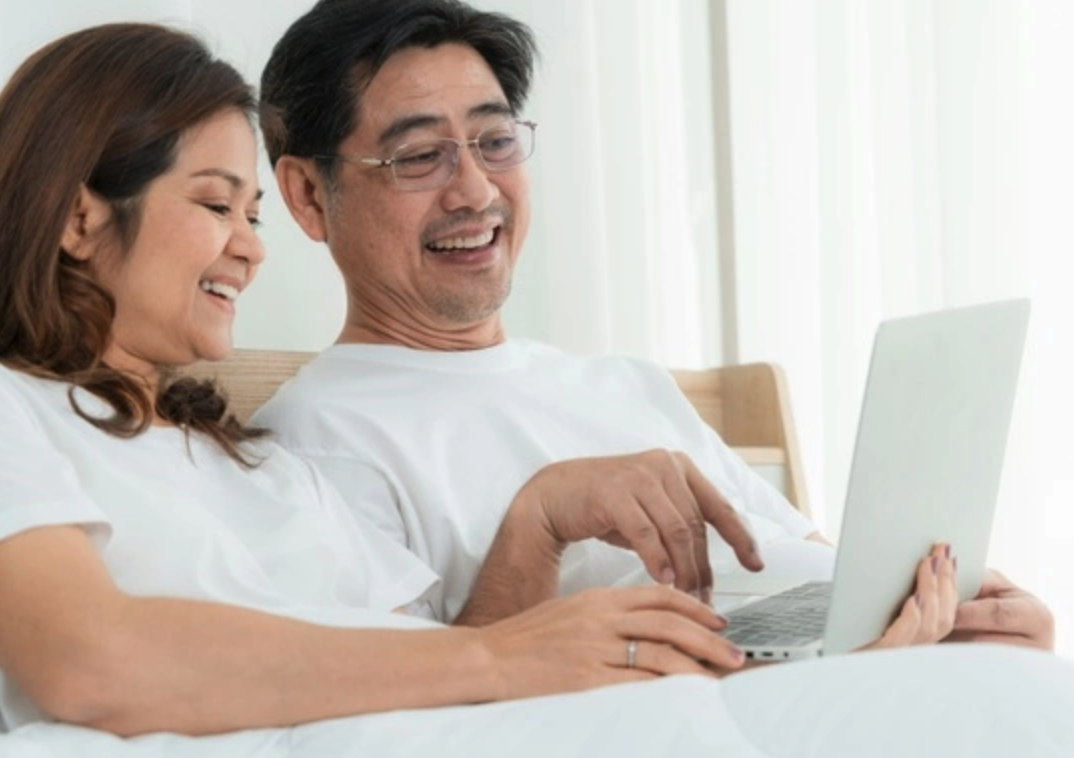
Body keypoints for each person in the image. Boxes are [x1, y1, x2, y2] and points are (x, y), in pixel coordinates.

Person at [4, 19, 1074, 758]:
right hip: (546, 716)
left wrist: (913, 615)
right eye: (216, 205)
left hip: (611, 701)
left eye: (493, 141)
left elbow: (430, 653)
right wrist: (514, 630)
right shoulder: (47, 415)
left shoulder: (244, 464)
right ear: (79, 214)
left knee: (1004, 691)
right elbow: (91, 659)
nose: (251, 247)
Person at [254, 0, 1054, 649]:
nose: (477, 191)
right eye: (419, 156)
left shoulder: (626, 385)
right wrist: (536, 525)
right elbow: (411, 714)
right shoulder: (311, 442)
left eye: (495, 142)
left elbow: (815, 578)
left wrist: (952, 622)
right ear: (308, 197)